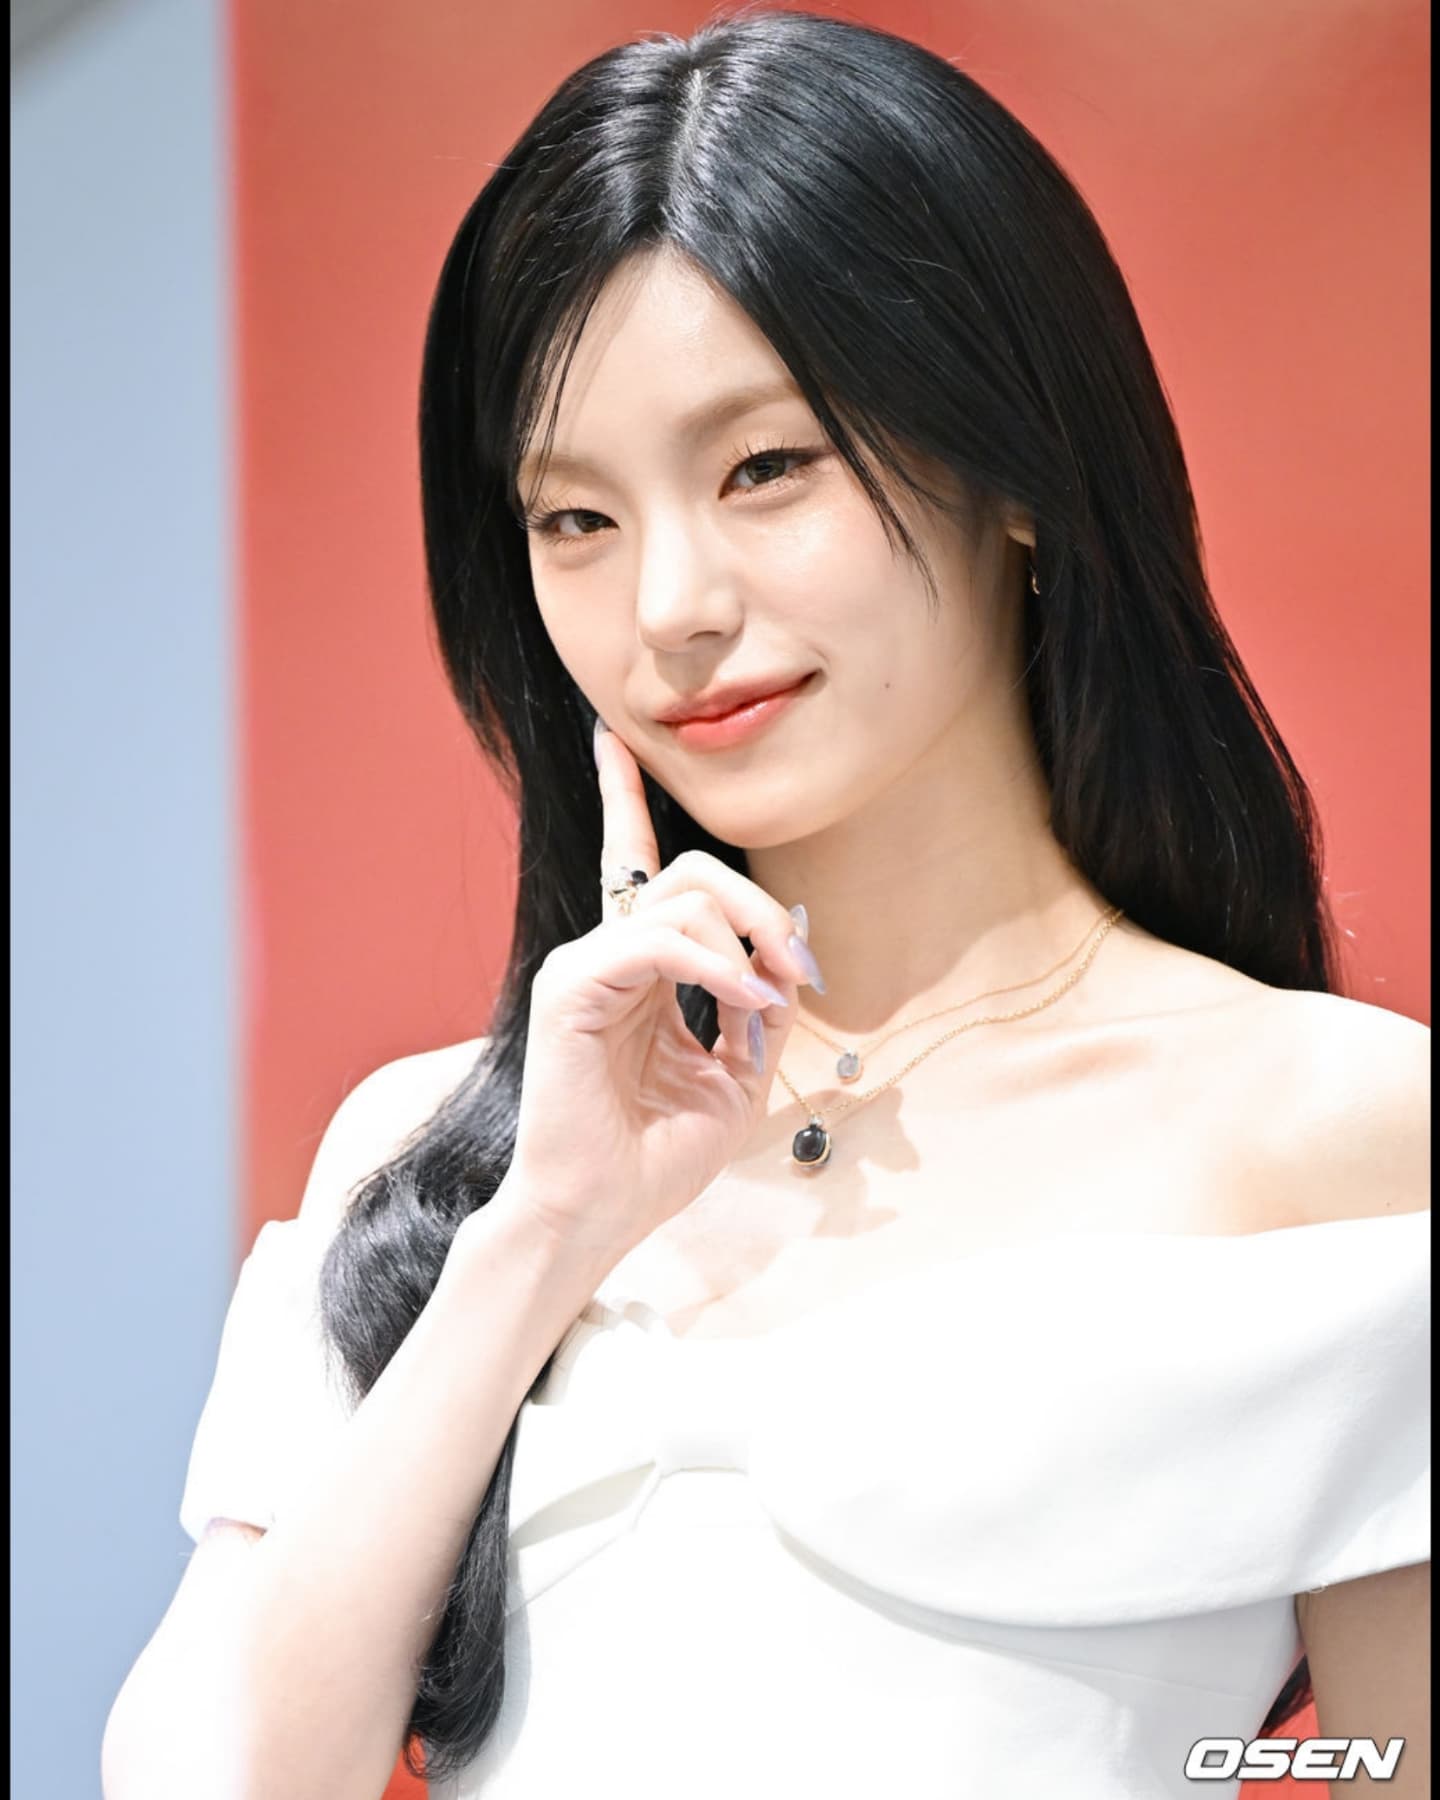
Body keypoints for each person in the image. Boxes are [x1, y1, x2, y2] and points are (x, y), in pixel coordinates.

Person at [102, 11, 1430, 1798]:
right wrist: (540, 1235)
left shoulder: (1335, 1132)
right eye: (574, 520)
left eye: (764, 469)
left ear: (1015, 466)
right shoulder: (434, 1160)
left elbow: (1391, 1762)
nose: (670, 606)